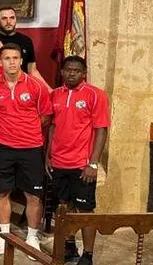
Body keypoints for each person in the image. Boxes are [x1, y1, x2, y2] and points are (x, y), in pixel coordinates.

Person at [0, 43, 53, 256]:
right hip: (2, 148)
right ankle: (4, 235)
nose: (12, 62)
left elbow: (45, 116)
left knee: (33, 196)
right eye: (7, 58)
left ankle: (32, 237)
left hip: (31, 148)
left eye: (15, 58)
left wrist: (26, 131)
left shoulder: (36, 86)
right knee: (1, 191)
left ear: (21, 60)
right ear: (1, 61)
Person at [46, 56, 110, 265]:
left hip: (82, 165)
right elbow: (53, 125)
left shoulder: (95, 95)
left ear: (83, 73)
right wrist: (49, 154)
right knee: (64, 207)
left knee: (84, 211)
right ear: (62, 72)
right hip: (59, 162)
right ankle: (70, 246)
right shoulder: (55, 94)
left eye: (76, 70)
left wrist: (93, 163)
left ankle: (88, 254)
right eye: (68, 70)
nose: (71, 73)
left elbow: (101, 130)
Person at [0, 7, 47, 84]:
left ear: (16, 20)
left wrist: (49, 90)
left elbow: (32, 70)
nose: (8, 21)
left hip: (23, 87)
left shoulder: (26, 40)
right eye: (4, 18)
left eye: (12, 18)